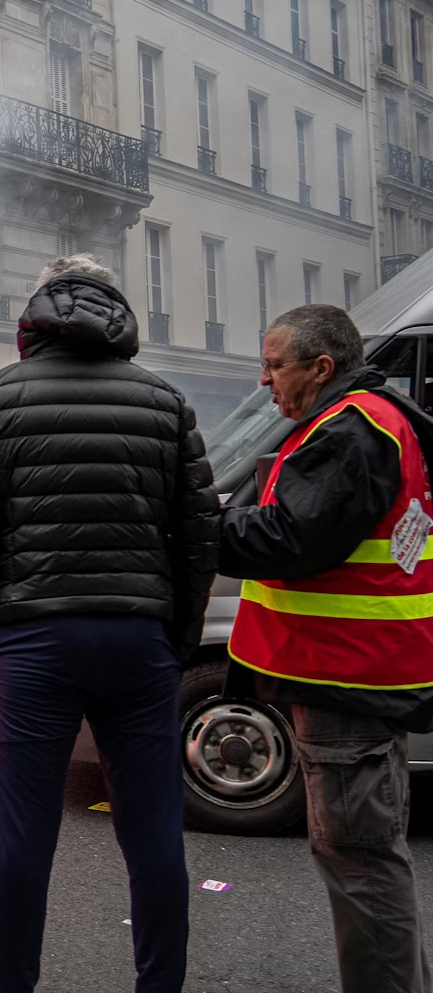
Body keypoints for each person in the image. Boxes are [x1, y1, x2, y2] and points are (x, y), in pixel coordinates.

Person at [0, 254, 218, 993]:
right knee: (154, 833)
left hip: (29, 640)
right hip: (138, 639)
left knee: (24, 840)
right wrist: (177, 638)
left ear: (35, 316)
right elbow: (198, 535)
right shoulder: (165, 400)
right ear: (119, 312)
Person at [221, 304, 433, 993]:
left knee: (360, 860)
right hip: (355, 670)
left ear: (322, 366)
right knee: (363, 858)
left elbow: (289, 541)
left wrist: (198, 525)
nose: (263, 380)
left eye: (274, 364)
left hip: (348, 672)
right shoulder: (362, 420)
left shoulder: (350, 430)